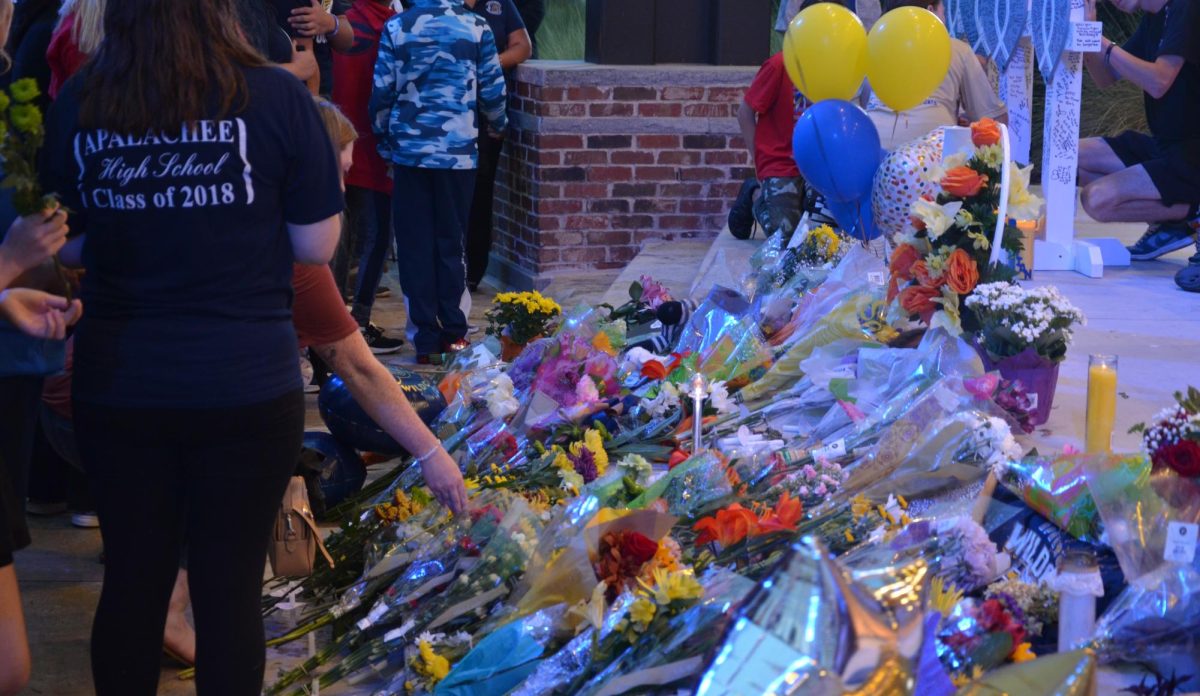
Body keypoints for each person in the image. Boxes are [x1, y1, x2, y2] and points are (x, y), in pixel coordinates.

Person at [42, 0, 343, 693]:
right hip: (245, 380)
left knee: (133, 580)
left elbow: (72, 241)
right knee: (228, 589)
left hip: (122, 380)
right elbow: (315, 244)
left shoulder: (86, 97)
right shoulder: (274, 95)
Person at [370, 0, 507, 365]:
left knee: (415, 245)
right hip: (458, 153)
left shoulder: (398, 27)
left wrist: (384, 141)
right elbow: (492, 87)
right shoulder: (477, 27)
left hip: (410, 152)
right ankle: (455, 333)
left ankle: (424, 340)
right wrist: (497, 123)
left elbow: (382, 91)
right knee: (452, 241)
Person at [1078, 0, 1200, 292]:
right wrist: (1087, 35)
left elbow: (1159, 81)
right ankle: (1172, 224)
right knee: (1067, 156)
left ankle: (1191, 212)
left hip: (1192, 154)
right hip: (1165, 147)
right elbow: (1105, 78)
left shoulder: (1187, 7)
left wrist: (1104, 44)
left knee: (1096, 200)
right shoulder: (1152, 18)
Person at [330, 0, 405, 353]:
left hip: (341, 146)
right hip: (373, 149)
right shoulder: (389, 26)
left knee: (341, 241)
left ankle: (338, 324)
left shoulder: (339, 25)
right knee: (373, 240)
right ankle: (355, 323)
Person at [864, 0, 1008, 149]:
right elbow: (993, 120)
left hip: (870, 148)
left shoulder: (871, 46)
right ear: (931, 11)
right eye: (944, 12)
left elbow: (864, 100)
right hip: (932, 158)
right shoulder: (956, 49)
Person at [464, 0, 531, 291]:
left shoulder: (500, 4)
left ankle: (471, 272)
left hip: (487, 118)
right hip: (450, 117)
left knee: (480, 194)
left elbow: (522, 45)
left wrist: (489, 66)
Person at [732, 50, 807, 242]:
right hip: (779, 162)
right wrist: (760, 162)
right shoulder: (779, 65)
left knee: (820, 232)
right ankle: (755, 195)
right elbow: (745, 113)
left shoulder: (837, 66)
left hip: (815, 164)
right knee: (784, 238)